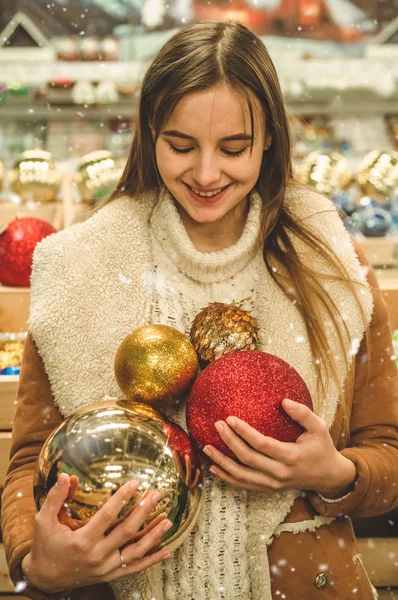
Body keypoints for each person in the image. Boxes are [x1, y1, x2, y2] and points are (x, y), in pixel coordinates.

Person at [2, 19, 398, 600]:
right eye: (181, 146)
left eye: (234, 148)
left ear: (269, 139)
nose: (207, 174)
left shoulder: (330, 263)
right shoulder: (77, 266)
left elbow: (387, 446)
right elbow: (32, 459)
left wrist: (336, 475)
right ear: (149, 134)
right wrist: (38, 563)